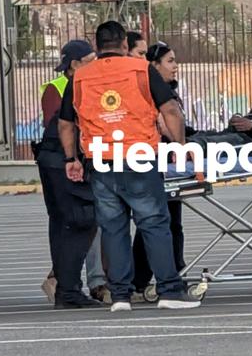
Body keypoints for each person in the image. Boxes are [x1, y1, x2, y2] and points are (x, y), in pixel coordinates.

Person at [58, 21, 200, 312]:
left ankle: (120, 295)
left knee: (113, 229)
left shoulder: (80, 77)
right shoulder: (141, 69)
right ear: (124, 44)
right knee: (154, 224)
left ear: (97, 46)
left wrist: (71, 159)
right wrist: (180, 145)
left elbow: (65, 123)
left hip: (100, 161)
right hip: (139, 157)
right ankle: (170, 290)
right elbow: (170, 109)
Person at [32, 40, 104, 309]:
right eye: (91, 61)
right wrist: (73, 159)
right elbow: (66, 125)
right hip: (62, 161)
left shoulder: (82, 83)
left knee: (67, 223)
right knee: (79, 220)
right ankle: (68, 289)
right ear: (75, 65)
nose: (97, 66)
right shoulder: (69, 87)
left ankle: (67, 288)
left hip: (57, 159)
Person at [130, 39, 190, 301]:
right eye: (170, 61)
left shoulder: (165, 91)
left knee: (160, 222)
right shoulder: (156, 93)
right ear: (154, 66)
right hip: (160, 161)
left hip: (164, 160)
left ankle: (141, 279)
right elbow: (166, 125)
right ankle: (166, 275)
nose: (175, 66)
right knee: (162, 223)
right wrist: (183, 146)